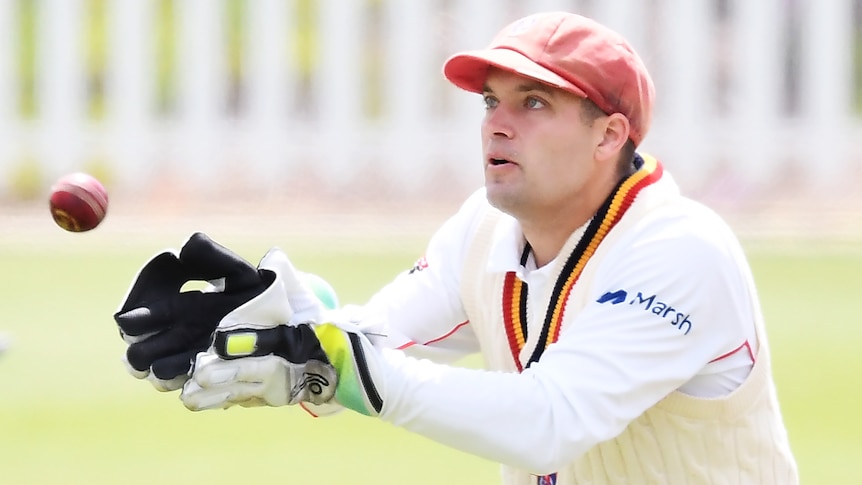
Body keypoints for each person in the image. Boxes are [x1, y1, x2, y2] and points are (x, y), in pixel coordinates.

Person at [114, 11, 799, 484]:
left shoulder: (681, 251)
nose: (497, 125)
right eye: (490, 102)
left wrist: (343, 364)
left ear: (609, 135)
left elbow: (549, 421)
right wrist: (294, 330)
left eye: (533, 103)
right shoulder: (485, 229)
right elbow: (378, 344)